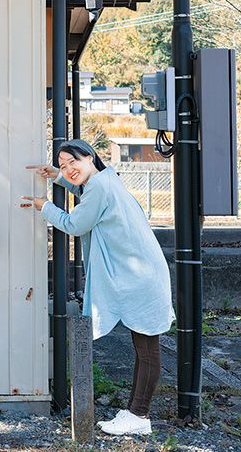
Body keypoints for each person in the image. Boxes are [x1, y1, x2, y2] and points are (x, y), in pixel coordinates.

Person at [22, 139, 175, 436]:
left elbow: (75, 224)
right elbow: (87, 195)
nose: (68, 168)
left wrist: (46, 208)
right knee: (145, 349)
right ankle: (135, 412)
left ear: (90, 157)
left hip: (140, 277)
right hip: (144, 272)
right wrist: (58, 177)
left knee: (147, 351)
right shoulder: (105, 179)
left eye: (72, 162)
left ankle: (139, 415)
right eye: (63, 164)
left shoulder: (100, 187)